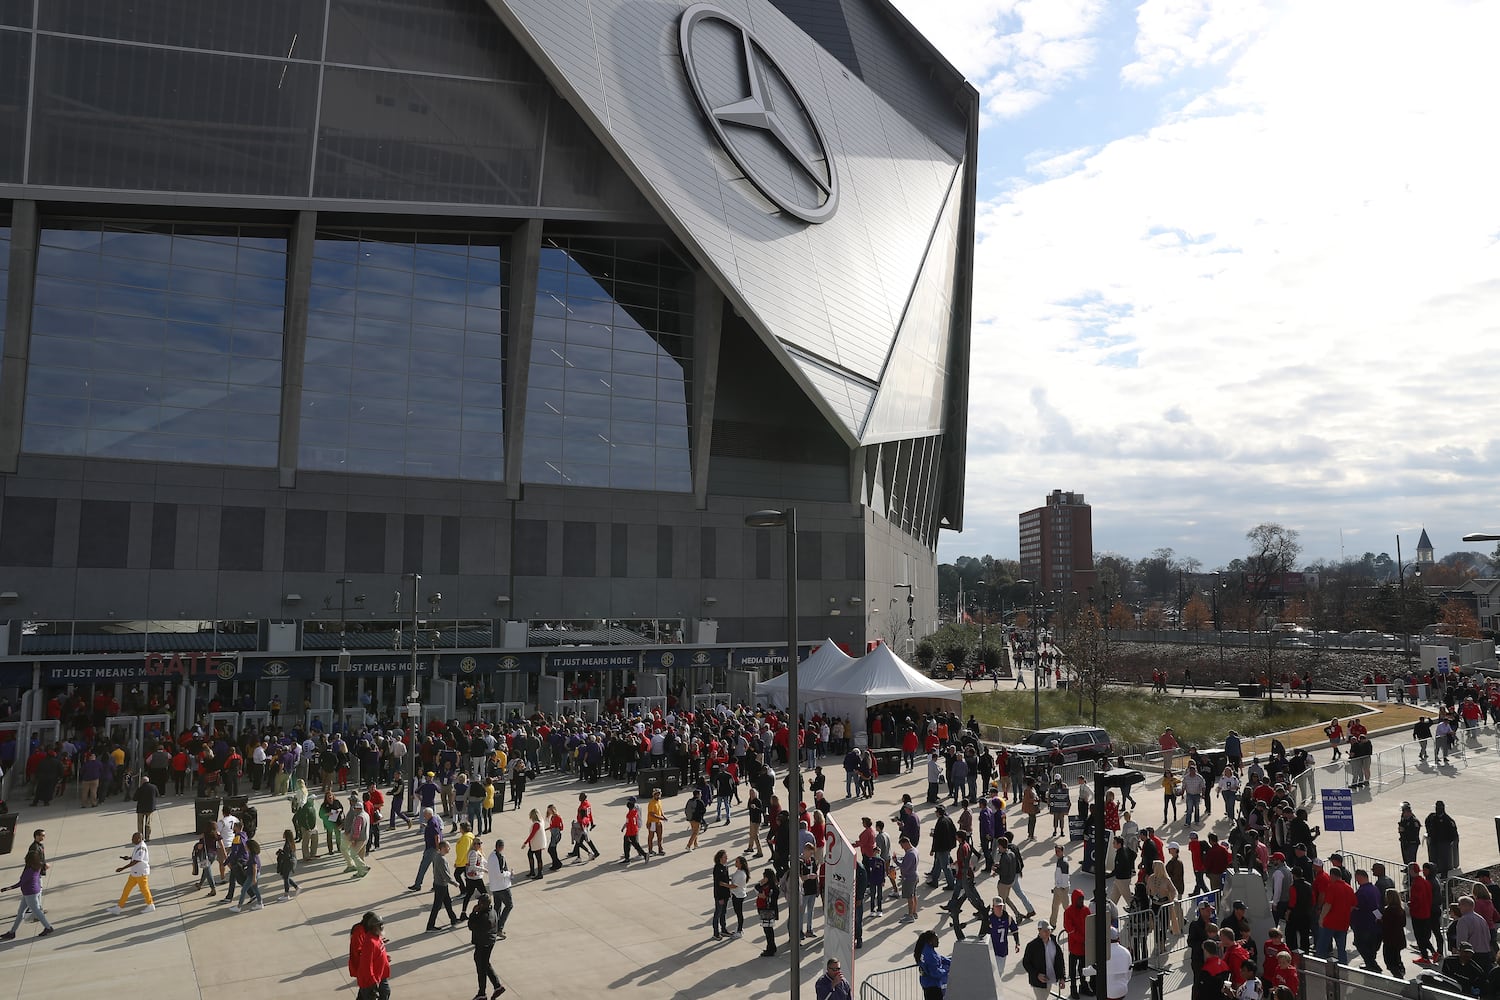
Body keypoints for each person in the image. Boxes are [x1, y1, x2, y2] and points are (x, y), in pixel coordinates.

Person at [1, 829, 55, 939]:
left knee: (36, 910)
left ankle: (48, 927)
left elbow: (20, 883)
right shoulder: (36, 867)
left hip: (30, 893)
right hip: (30, 892)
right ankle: (12, 932)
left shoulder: (29, 870)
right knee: (21, 912)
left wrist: (7, 888)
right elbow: (41, 865)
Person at [466, 892, 507, 1000]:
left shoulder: (483, 916)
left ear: (483, 904)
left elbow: (471, 926)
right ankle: (497, 986)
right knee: (485, 964)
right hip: (489, 941)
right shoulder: (492, 911)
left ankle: (482, 994)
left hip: (483, 943)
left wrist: (473, 913)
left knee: (481, 968)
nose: (477, 903)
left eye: (479, 902)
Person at [348, 911, 392, 1000]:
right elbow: (363, 958)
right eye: (378, 925)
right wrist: (372, 980)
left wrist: (384, 958)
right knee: (372, 994)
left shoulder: (376, 936)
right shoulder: (364, 936)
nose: (381, 927)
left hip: (378, 973)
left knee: (383, 992)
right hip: (369, 975)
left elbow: (377, 951)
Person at [111, 831, 155, 914]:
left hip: (141, 873)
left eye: (133, 838)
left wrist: (122, 868)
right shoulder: (138, 845)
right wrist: (129, 858)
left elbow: (136, 861)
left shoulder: (141, 847)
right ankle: (119, 907)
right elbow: (136, 857)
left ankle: (151, 905)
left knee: (144, 890)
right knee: (126, 889)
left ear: (139, 839)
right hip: (135, 873)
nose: (132, 840)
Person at [1021, 920, 1064, 1000]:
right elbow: (1026, 963)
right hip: (1038, 982)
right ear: (1039, 930)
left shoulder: (1054, 943)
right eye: (1045, 930)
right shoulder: (1032, 946)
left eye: (1049, 930)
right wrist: (1037, 974)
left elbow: (1060, 961)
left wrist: (1062, 977)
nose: (1048, 932)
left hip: (1050, 979)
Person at [426, 840, 460, 931]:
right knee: (437, 906)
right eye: (448, 847)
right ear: (443, 848)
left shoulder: (438, 856)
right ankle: (430, 926)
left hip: (440, 884)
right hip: (441, 885)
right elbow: (445, 875)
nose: (449, 848)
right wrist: (454, 883)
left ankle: (453, 919)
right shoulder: (441, 859)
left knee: (448, 902)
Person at [488, 840, 514, 940]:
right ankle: (499, 928)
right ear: (502, 847)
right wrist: (509, 874)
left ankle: (494, 929)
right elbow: (500, 873)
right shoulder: (500, 857)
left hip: (494, 887)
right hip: (502, 887)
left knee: (497, 908)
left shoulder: (491, 856)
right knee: (509, 905)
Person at [917, 929, 952, 999]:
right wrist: (947, 970)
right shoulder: (931, 956)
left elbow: (939, 958)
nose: (938, 941)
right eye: (936, 940)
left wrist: (950, 962)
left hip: (925, 982)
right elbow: (935, 973)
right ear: (930, 942)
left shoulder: (925, 948)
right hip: (932, 986)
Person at [756, 867, 781, 957]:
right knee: (767, 929)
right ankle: (771, 947)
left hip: (768, 910)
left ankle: (770, 949)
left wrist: (765, 897)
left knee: (768, 930)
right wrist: (761, 882)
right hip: (763, 909)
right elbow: (756, 887)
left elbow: (773, 899)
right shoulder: (764, 884)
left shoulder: (773, 887)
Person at [711, 849, 733, 941]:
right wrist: (729, 885)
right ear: (720, 858)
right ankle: (716, 933)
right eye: (725, 857)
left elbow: (726, 879)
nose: (726, 858)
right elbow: (719, 883)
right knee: (718, 913)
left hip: (726, 893)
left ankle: (723, 929)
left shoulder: (725, 866)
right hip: (720, 894)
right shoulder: (717, 868)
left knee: (724, 913)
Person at [621, 796, 650, 863]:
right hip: (634, 828)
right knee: (632, 843)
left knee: (634, 843)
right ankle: (627, 856)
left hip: (631, 830)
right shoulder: (635, 810)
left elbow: (629, 823)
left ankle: (643, 854)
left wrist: (625, 828)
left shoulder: (630, 813)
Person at [276, 829, 301, 900]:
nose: (283, 834)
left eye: (284, 833)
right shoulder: (291, 842)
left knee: (285, 878)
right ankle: (296, 887)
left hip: (289, 862)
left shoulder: (287, 844)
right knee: (285, 876)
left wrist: (280, 853)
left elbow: (286, 855)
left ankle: (286, 895)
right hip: (292, 861)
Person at [522, 808, 544, 880]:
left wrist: (525, 842)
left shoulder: (536, 824)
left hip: (536, 843)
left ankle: (539, 873)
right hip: (537, 843)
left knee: (538, 857)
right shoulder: (540, 822)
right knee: (532, 855)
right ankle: (533, 871)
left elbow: (532, 834)